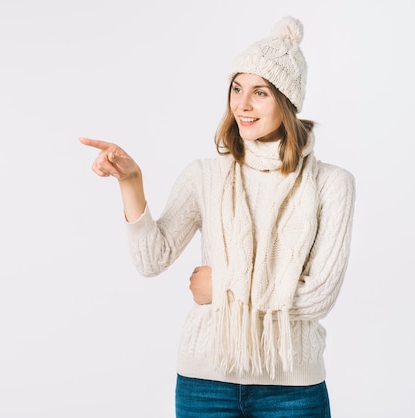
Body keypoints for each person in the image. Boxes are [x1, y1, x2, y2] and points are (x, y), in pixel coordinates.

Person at [80, 16, 355, 418]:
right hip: (205, 383)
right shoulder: (204, 175)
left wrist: (221, 284)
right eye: (237, 89)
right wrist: (131, 182)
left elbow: (318, 297)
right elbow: (151, 260)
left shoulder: (332, 184)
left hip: (292, 388)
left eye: (259, 92)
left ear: (287, 101)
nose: (242, 105)